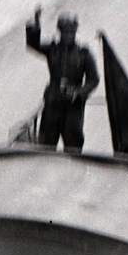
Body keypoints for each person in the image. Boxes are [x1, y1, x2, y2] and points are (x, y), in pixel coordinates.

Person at [26, 9, 99, 150]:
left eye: (72, 31)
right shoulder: (52, 49)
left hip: (73, 105)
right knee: (46, 141)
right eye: (65, 31)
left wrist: (79, 92)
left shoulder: (84, 53)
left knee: (74, 142)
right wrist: (35, 24)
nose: (69, 35)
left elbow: (93, 79)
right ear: (60, 32)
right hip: (53, 101)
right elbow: (32, 44)